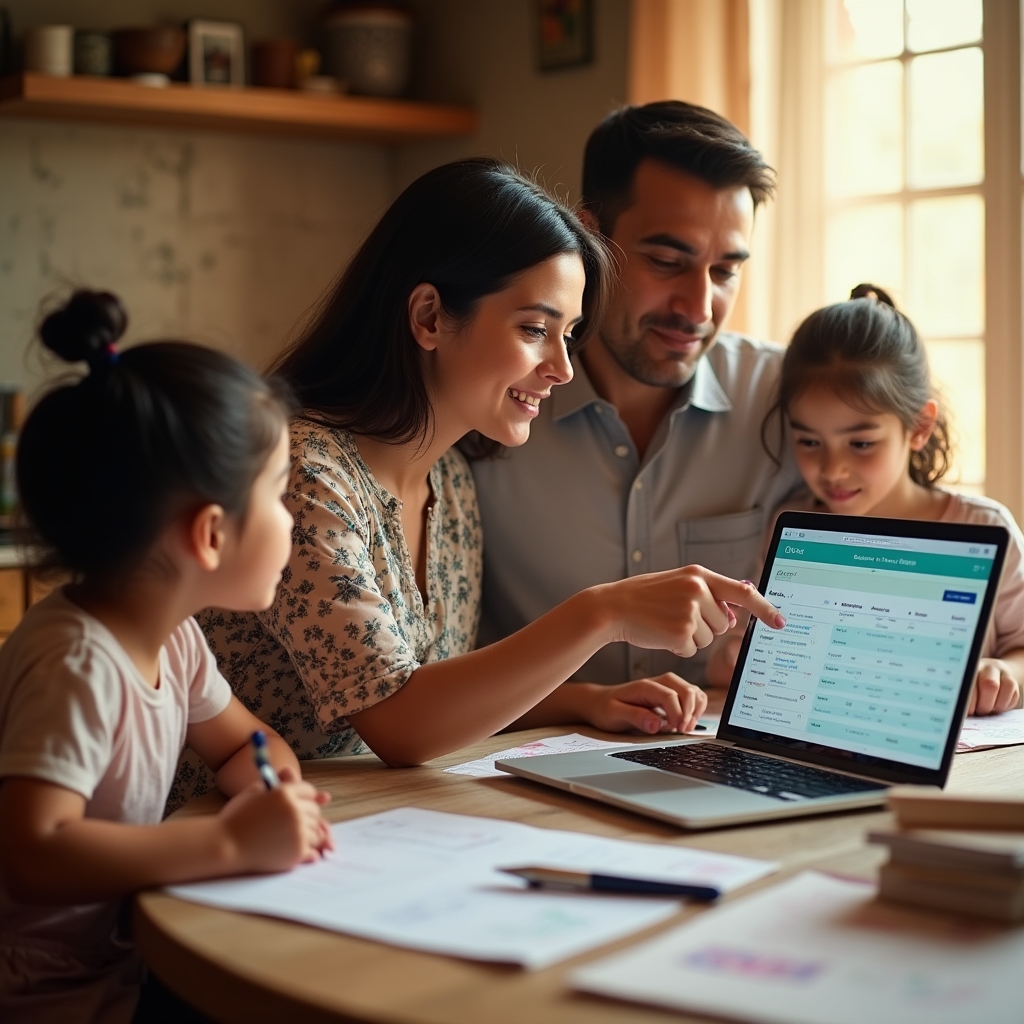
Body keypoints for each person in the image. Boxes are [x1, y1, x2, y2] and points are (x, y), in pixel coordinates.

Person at [181, 158, 784, 791]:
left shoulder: (454, 486)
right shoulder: (304, 478)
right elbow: (400, 723)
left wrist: (583, 701)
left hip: (352, 826)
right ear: (430, 317)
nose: (561, 368)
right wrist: (603, 613)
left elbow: (437, 689)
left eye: (568, 335)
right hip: (220, 841)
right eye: (534, 330)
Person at [0, 291, 332, 1024]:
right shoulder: (77, 662)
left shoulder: (175, 640)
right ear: (210, 535)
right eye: (279, 494)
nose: (291, 520)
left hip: (112, 957)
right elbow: (33, 849)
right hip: (37, 987)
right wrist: (226, 842)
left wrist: (269, 790)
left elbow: (247, 740)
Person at [470, 101, 805, 701]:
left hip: (723, 765)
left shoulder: (786, 402)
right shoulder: (490, 400)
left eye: (725, 271)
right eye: (667, 262)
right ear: (590, 236)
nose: (699, 308)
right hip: (513, 765)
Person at [711, 283, 1023, 715]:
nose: (832, 470)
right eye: (809, 441)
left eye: (860, 444)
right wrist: (736, 656)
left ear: (918, 428)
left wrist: (1002, 671)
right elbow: (746, 644)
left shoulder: (983, 527)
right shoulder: (795, 523)